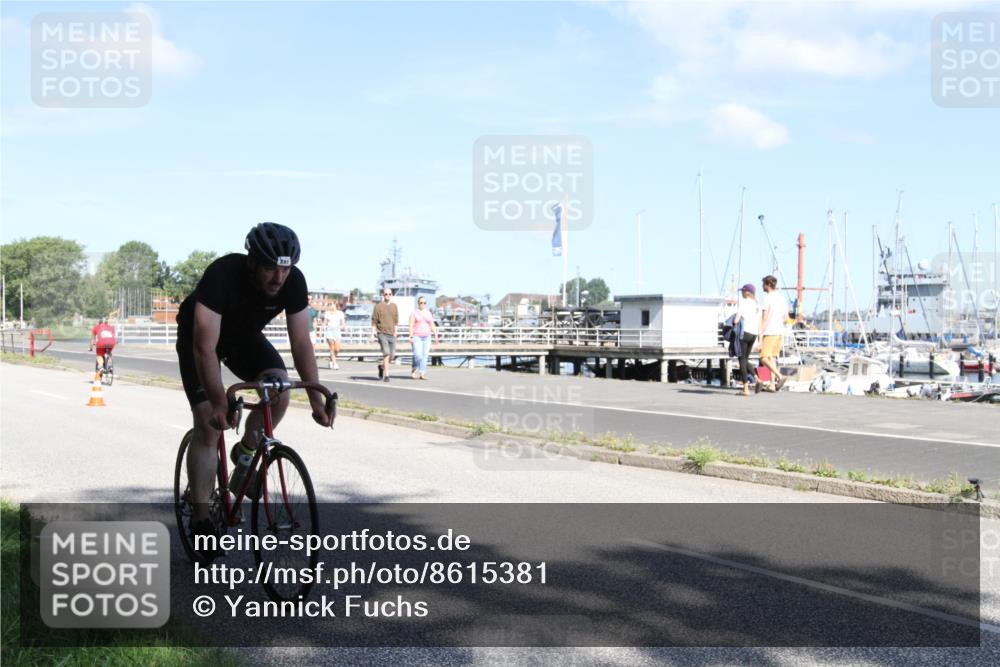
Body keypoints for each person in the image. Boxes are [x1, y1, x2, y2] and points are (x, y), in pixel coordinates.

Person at [175, 222, 332, 556]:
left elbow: (301, 342)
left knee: (279, 390)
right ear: (252, 262)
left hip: (243, 339)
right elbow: (205, 348)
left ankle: (244, 455)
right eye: (270, 269)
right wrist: (219, 402)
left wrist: (316, 399)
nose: (278, 278)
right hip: (198, 341)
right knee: (209, 423)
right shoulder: (222, 274)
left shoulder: (294, 281)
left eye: (285, 270)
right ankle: (201, 519)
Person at [759, 274, 787, 392]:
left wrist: (760, 334)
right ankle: (771, 384)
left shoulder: (767, 298)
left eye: (763, 284)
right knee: (771, 358)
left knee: (763, 358)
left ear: (768, 285)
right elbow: (785, 318)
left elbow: (764, 318)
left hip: (769, 331)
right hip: (779, 331)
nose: (762, 286)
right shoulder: (782, 298)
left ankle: (780, 376)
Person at [732, 283, 760, 396]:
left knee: (741, 360)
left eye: (743, 291)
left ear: (747, 292)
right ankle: (757, 379)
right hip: (754, 334)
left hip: (745, 333)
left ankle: (746, 389)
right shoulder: (756, 304)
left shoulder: (744, 303)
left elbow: (736, 320)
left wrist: (733, 321)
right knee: (745, 359)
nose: (742, 293)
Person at [371, 288, 398, 382]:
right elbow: (374, 321)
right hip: (381, 333)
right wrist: (372, 334)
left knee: (392, 356)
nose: (388, 295)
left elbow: (396, 320)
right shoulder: (378, 306)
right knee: (386, 353)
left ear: (391, 295)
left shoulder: (394, 306)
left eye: (389, 294)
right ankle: (387, 375)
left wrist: (396, 332)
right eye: (386, 294)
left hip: (392, 334)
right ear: (383, 295)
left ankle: (381, 367)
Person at [409, 296, 439, 380]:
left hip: (427, 336)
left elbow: (432, 324)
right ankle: (414, 367)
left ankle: (422, 373)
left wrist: (435, 334)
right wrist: (411, 336)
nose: (423, 304)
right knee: (418, 355)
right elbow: (411, 325)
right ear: (418, 303)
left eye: (424, 303)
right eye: (421, 302)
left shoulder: (428, 313)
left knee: (425, 355)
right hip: (417, 336)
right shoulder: (414, 313)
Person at [324, 301, 346, 370]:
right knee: (332, 348)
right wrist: (321, 331)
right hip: (329, 331)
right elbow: (325, 322)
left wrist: (344, 327)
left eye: (332, 304)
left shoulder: (340, 313)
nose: (331, 306)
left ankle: (331, 360)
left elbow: (343, 322)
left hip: (337, 331)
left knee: (337, 349)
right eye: (330, 305)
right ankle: (335, 363)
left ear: (335, 305)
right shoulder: (327, 313)